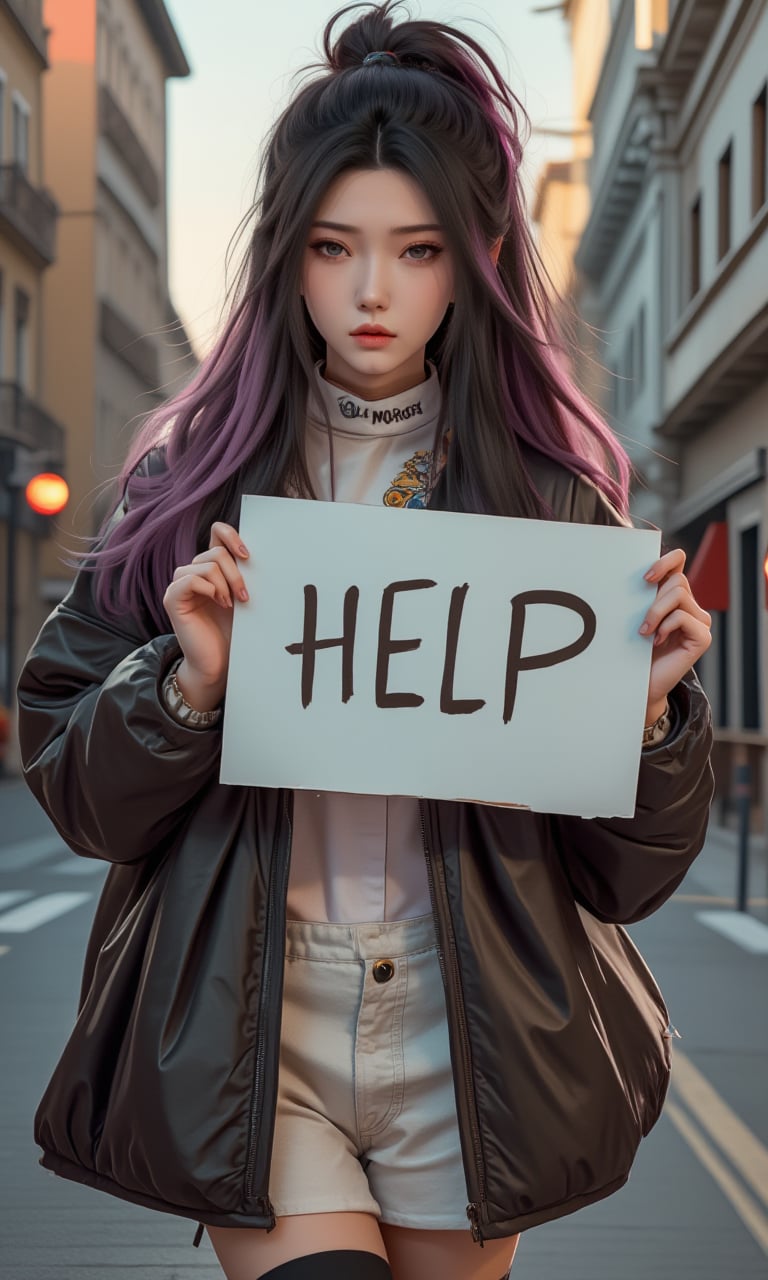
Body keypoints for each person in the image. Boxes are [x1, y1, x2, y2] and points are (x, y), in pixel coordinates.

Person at [16, 4, 714, 1279]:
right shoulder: (190, 492)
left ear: (476, 259)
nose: (374, 291)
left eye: (418, 249)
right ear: (287, 254)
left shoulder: (550, 505)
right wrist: (183, 686)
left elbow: (630, 878)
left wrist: (655, 724)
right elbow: (70, 775)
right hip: (256, 1029)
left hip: (473, 1033)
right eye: (336, 246)